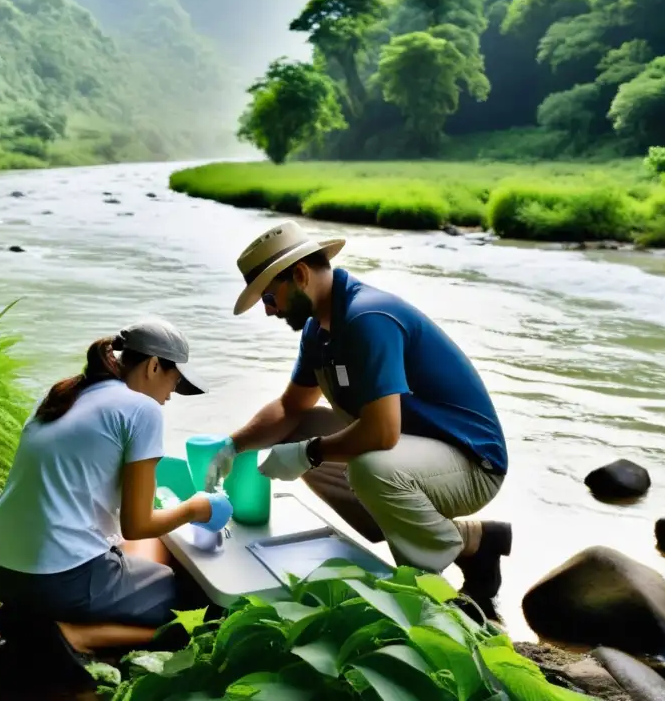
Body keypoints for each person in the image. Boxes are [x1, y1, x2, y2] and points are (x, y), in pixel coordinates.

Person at [206, 221, 511, 604]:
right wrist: (232, 447)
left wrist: (308, 454)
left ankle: (427, 592)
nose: (270, 311)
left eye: (269, 297)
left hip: (471, 465)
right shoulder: (319, 331)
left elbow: (383, 434)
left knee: (371, 469)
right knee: (298, 428)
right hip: (414, 451)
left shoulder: (369, 319)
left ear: (299, 275)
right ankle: (470, 540)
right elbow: (290, 407)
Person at [0, 318, 233, 652]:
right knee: (198, 609)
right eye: (175, 381)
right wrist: (199, 508)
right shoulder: (142, 409)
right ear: (154, 366)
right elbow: (138, 525)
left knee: (141, 555)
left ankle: (31, 618)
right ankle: (79, 637)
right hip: (56, 580)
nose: (170, 396)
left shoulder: (64, 393)